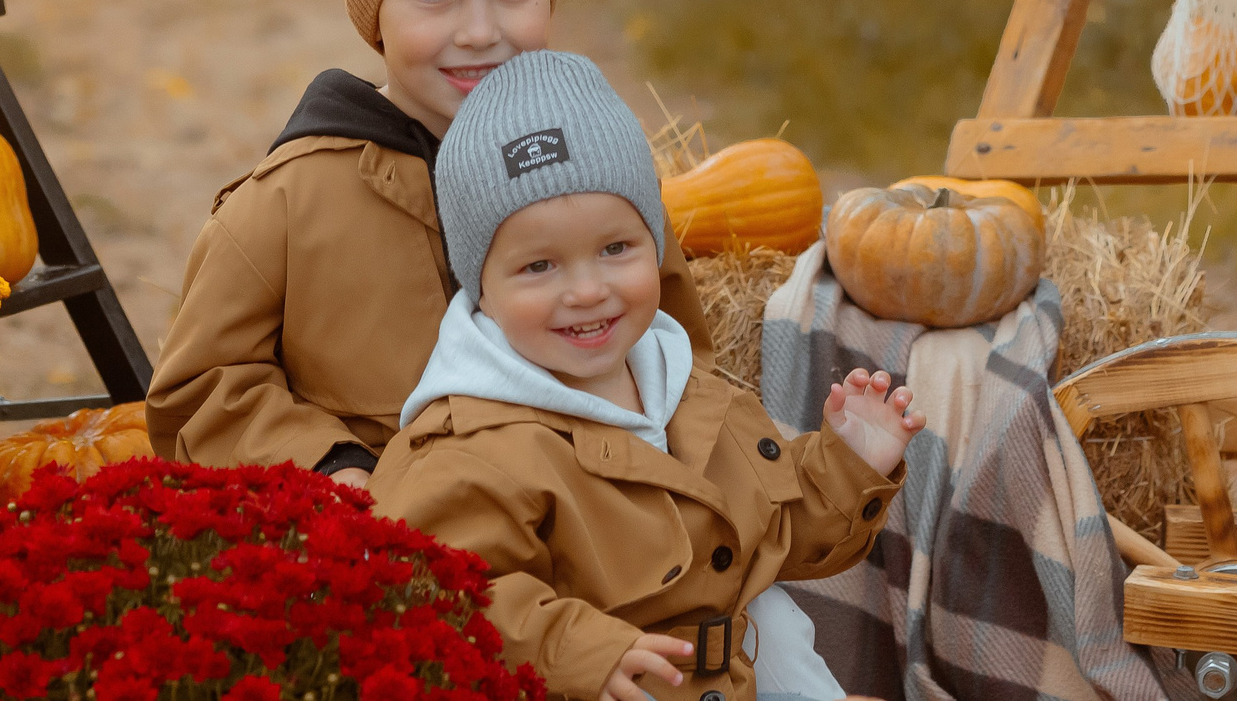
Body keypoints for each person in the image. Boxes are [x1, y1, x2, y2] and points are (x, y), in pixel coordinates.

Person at [146, 0, 710, 486]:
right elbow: (201, 388)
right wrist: (333, 467)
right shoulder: (291, 202)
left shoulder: (599, 165)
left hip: (602, 553)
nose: (479, 29)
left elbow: (686, 357)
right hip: (404, 554)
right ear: (373, 10)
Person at [371, 50, 917, 701]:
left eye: (615, 248)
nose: (587, 289)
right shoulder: (469, 447)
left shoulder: (680, 385)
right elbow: (435, 589)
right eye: (540, 265)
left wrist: (849, 464)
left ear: (656, 246)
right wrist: (577, 650)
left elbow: (764, 527)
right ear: (478, 284)